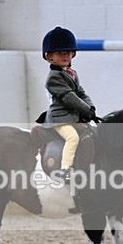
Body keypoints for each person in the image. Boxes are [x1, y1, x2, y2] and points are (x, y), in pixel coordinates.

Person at [40, 26, 97, 182]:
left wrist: (90, 107)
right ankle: (65, 169)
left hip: (72, 116)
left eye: (68, 52)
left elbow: (81, 93)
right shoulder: (53, 77)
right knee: (72, 138)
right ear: (50, 56)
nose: (65, 55)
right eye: (60, 53)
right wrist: (85, 110)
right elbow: (69, 97)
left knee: (92, 131)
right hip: (59, 119)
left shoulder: (71, 73)